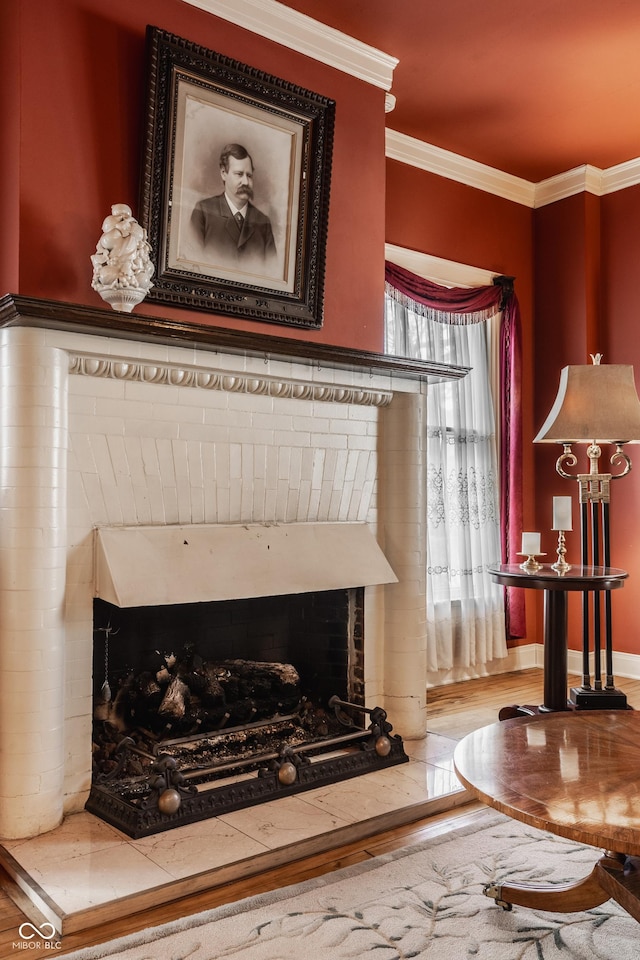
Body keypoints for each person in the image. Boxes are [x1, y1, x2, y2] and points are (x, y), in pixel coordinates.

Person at [191, 143, 277, 267]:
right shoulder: (203, 211)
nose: (246, 182)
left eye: (249, 175)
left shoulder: (263, 223)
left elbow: (272, 273)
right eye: (239, 174)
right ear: (223, 173)